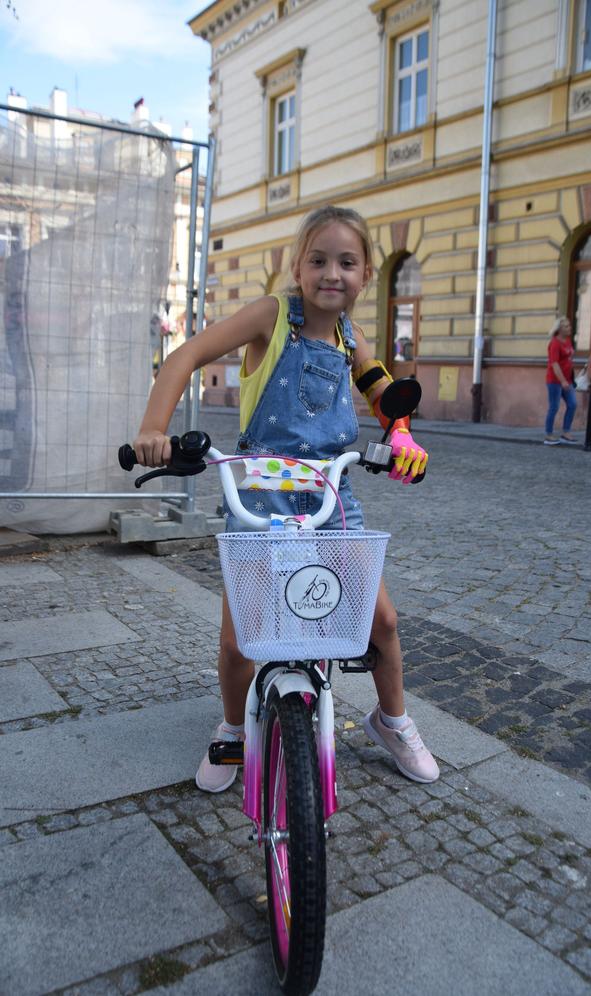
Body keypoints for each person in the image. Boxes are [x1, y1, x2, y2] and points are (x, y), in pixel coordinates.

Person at [132, 204, 439, 789]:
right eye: (318, 260)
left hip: (332, 496)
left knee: (383, 621)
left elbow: (385, 396)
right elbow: (185, 356)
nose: (332, 273)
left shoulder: (351, 338)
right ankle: (231, 728)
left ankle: (392, 720)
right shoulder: (272, 318)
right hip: (263, 498)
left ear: (366, 274)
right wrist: (154, 429)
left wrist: (400, 435)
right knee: (240, 637)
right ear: (297, 267)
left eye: (347, 263)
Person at [544, 316, 577, 445]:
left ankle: (566, 432)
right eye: (566, 326)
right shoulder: (554, 343)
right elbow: (554, 364)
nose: (569, 328)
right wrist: (562, 381)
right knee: (554, 406)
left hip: (567, 380)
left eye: (569, 325)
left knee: (573, 404)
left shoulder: (568, 341)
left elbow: (568, 359)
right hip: (555, 381)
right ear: (559, 329)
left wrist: (569, 378)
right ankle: (548, 434)